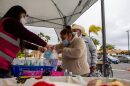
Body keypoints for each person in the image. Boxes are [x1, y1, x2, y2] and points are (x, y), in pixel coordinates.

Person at [0, 5, 48, 78]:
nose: (24, 19)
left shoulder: (10, 27)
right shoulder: (9, 21)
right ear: (16, 14)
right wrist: (45, 44)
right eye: (23, 16)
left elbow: (21, 43)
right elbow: (27, 34)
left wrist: (38, 48)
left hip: (4, 65)